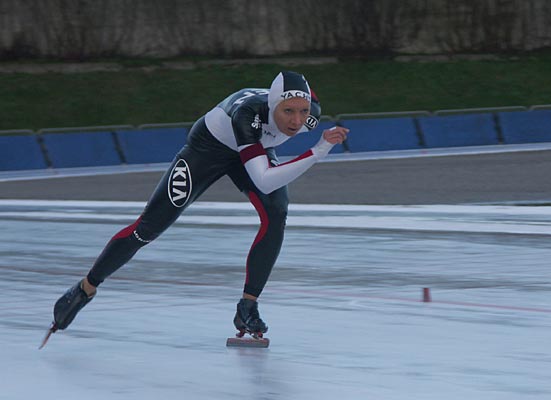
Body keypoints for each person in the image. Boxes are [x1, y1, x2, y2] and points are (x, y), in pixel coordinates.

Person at [51, 71, 349, 339]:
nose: (296, 122)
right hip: (207, 149)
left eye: (302, 112)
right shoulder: (247, 114)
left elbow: (268, 171)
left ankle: (248, 306)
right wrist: (318, 150)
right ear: (272, 106)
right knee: (148, 229)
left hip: (255, 148)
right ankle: (85, 288)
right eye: (287, 112)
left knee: (277, 213)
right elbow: (265, 180)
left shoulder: (311, 115)